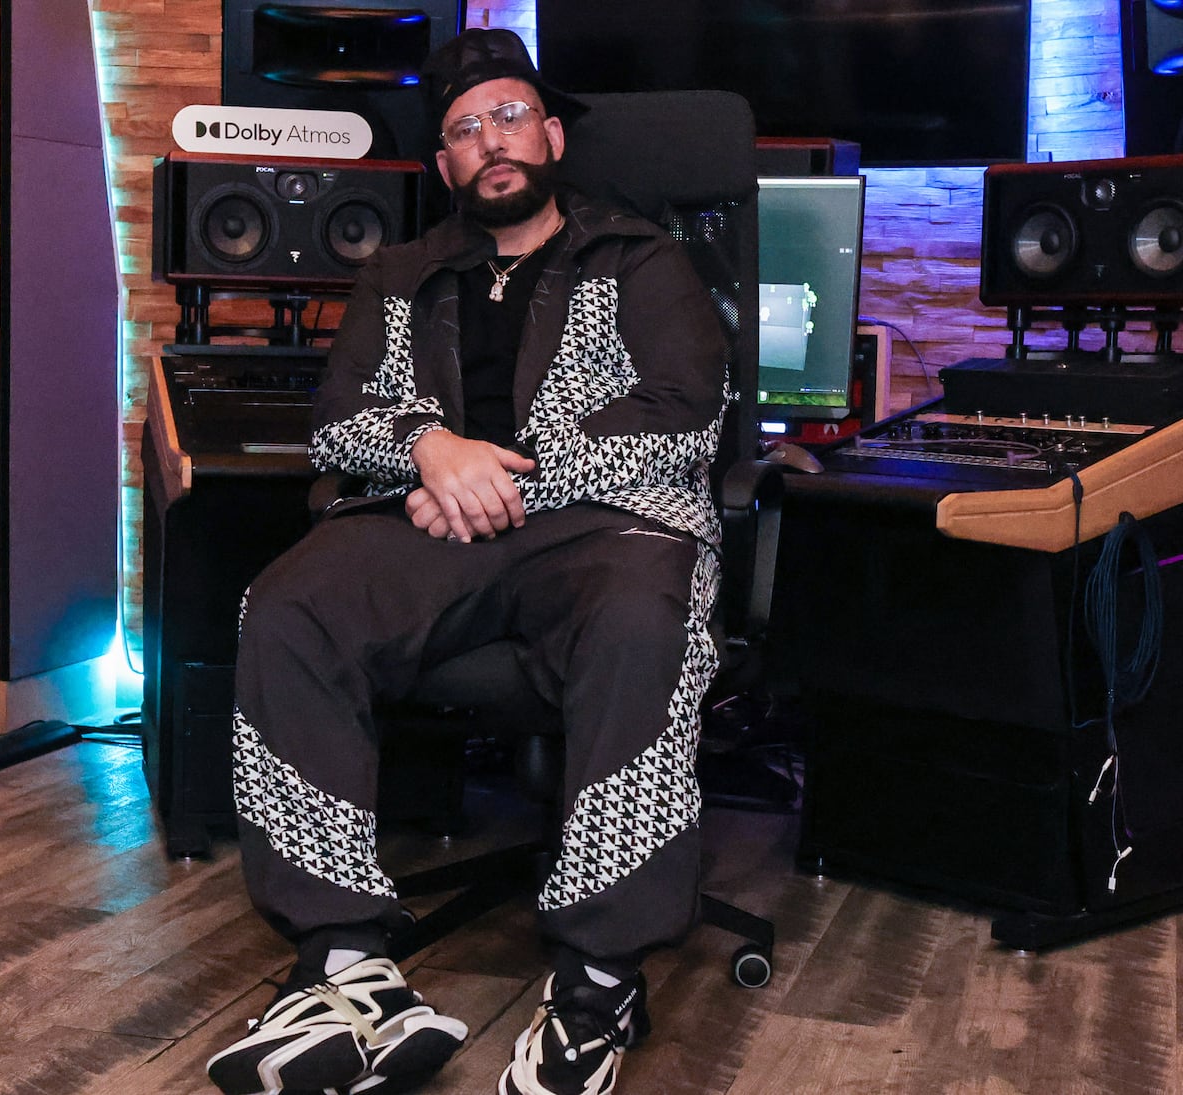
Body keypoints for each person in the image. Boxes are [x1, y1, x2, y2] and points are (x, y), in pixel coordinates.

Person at [207, 27, 730, 1095]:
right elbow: (338, 420)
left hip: (606, 524)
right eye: (461, 129)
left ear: (546, 133)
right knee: (288, 605)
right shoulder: (402, 274)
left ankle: (597, 975)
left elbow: (685, 414)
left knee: (640, 626)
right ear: (443, 166)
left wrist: (500, 480)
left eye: (505, 115)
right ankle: (345, 958)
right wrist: (426, 449)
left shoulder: (640, 257)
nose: (488, 140)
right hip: (431, 523)